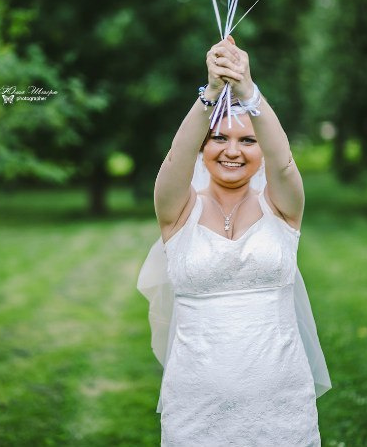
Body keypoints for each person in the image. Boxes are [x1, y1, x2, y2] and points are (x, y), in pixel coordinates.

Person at [137, 37, 329, 445]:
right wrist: (209, 94)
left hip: (281, 405)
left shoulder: (282, 208)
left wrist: (247, 90)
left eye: (247, 140)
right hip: (194, 405)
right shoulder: (178, 211)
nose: (232, 151)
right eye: (219, 139)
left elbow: (285, 161)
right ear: (203, 148)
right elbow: (175, 157)